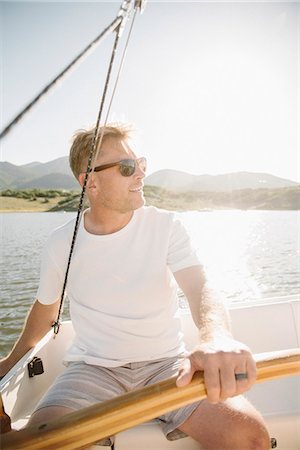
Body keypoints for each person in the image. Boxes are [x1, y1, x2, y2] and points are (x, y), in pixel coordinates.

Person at [0, 124, 270, 449]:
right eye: (128, 168)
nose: (141, 175)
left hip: (167, 365)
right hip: (91, 370)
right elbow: (46, 310)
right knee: (41, 445)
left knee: (250, 437)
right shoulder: (61, 243)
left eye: (142, 164)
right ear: (90, 181)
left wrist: (217, 336)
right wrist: (9, 362)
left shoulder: (166, 226)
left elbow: (201, 287)